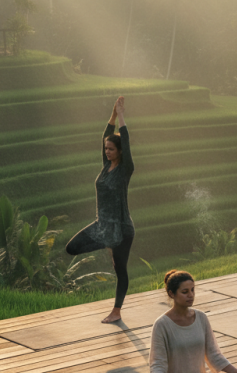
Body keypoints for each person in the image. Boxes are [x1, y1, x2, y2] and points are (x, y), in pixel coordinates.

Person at [65, 96, 135, 323]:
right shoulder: (106, 167)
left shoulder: (125, 170)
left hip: (121, 229)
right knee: (72, 248)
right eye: (105, 148)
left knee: (120, 270)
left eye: (111, 149)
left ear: (120, 151)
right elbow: (105, 135)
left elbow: (125, 139)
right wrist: (113, 115)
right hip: (102, 226)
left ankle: (116, 311)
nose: (106, 152)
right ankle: (107, 242)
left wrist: (122, 117)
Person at [149, 270, 237, 373]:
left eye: (192, 290)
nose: (191, 295)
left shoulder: (201, 318)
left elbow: (214, 355)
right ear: (171, 294)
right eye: (185, 292)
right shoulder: (162, 325)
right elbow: (158, 364)